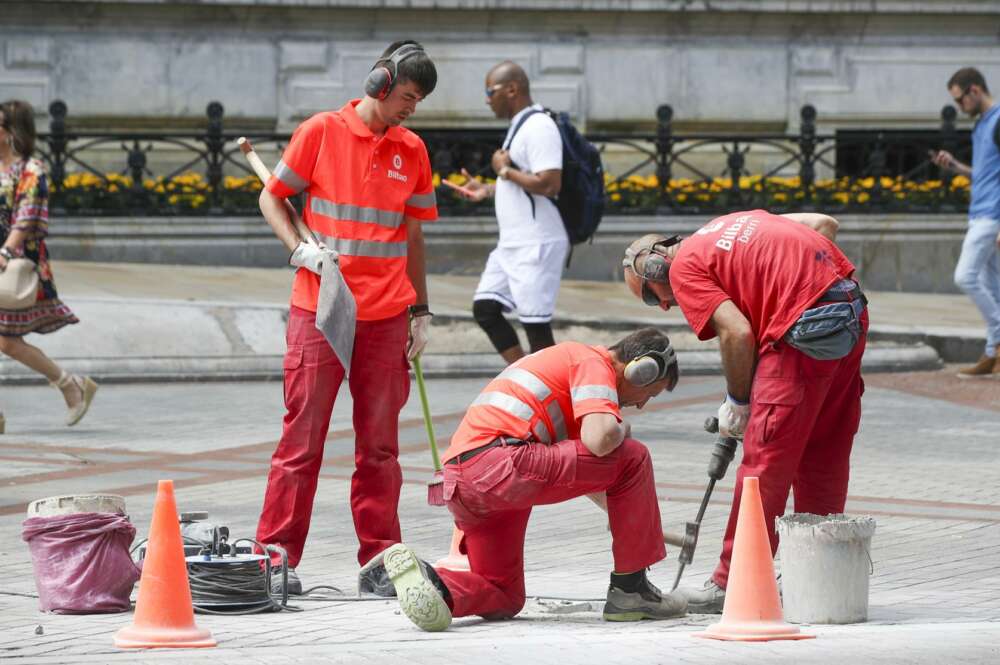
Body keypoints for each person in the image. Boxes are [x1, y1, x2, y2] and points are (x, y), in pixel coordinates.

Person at [254, 41, 439, 596]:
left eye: (419, 100)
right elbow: (274, 196)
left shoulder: (414, 148)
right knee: (301, 440)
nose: (412, 108)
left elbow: (412, 234)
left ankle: (380, 560)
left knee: (380, 448)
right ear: (379, 82)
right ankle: (275, 557)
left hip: (385, 317)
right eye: (407, 96)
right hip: (321, 308)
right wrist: (299, 250)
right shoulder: (320, 132)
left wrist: (422, 309)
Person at [621, 210, 867, 613]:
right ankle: (815, 570)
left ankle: (730, 581)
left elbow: (737, 332)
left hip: (802, 330)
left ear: (655, 264)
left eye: (651, 295)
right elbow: (824, 225)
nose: (663, 306)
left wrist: (738, 402)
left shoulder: (684, 268)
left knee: (764, 461)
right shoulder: (729, 226)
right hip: (849, 314)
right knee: (824, 448)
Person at [380, 327, 687, 632]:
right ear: (640, 371)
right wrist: (623, 430)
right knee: (633, 456)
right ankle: (631, 591)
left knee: (504, 594)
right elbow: (602, 439)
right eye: (651, 392)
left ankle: (434, 583)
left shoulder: (570, 367)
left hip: (464, 482)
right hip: (503, 465)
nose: (643, 404)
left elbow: (585, 469)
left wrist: (630, 518)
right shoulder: (591, 362)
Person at [448, 61, 566, 364]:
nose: (487, 99)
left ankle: (553, 398)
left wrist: (504, 171)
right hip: (512, 244)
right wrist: (487, 189)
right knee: (485, 308)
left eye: (491, 91)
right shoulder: (521, 126)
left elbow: (550, 183)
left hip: (536, 243)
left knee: (536, 328)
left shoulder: (539, 126)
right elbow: (522, 182)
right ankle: (524, 378)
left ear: (512, 89)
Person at [0, 99, 97, 430]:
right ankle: (71, 385)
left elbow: (25, 219)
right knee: (4, 340)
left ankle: (70, 385)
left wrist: (5, 253)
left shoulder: (31, 171)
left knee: (6, 341)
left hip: (17, 265)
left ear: (12, 133)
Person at [930, 67, 1000, 377]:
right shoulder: (982, 125)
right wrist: (955, 166)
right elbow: (985, 175)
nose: (960, 107)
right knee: (992, 286)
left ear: (974, 90)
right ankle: (992, 353)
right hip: (980, 213)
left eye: (960, 100)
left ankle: (998, 339)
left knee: (965, 276)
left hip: (991, 217)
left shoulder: (998, 120)